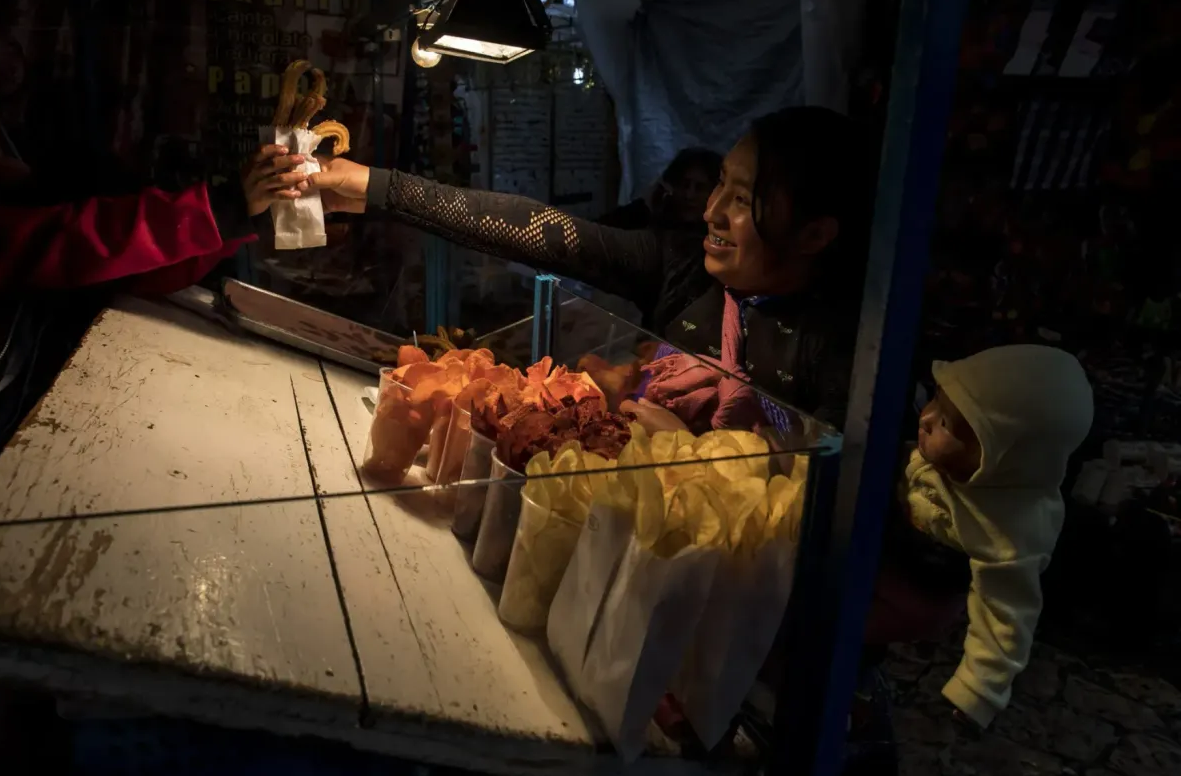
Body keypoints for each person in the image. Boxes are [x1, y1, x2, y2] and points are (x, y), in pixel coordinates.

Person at [308, 106, 873, 430]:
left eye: (744, 201)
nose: (712, 211)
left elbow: (825, 505)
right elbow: (544, 234)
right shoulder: (682, 267)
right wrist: (369, 187)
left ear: (815, 233)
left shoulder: (849, 347)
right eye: (720, 182)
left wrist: (691, 450)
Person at [0, 144, 310, 515]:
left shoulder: (55, 278)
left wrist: (244, 220)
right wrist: (225, 206)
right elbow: (83, 239)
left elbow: (142, 268)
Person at [871, 344, 1093, 728]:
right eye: (936, 402)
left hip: (919, 594)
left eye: (947, 425)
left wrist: (980, 689)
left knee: (835, 631)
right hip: (887, 553)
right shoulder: (939, 458)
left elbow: (1006, 612)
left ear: (1002, 457)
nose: (926, 420)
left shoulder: (1012, 529)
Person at [597, 147, 722, 233]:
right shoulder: (661, 229)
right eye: (684, 185)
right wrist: (645, 205)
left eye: (699, 188)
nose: (689, 195)